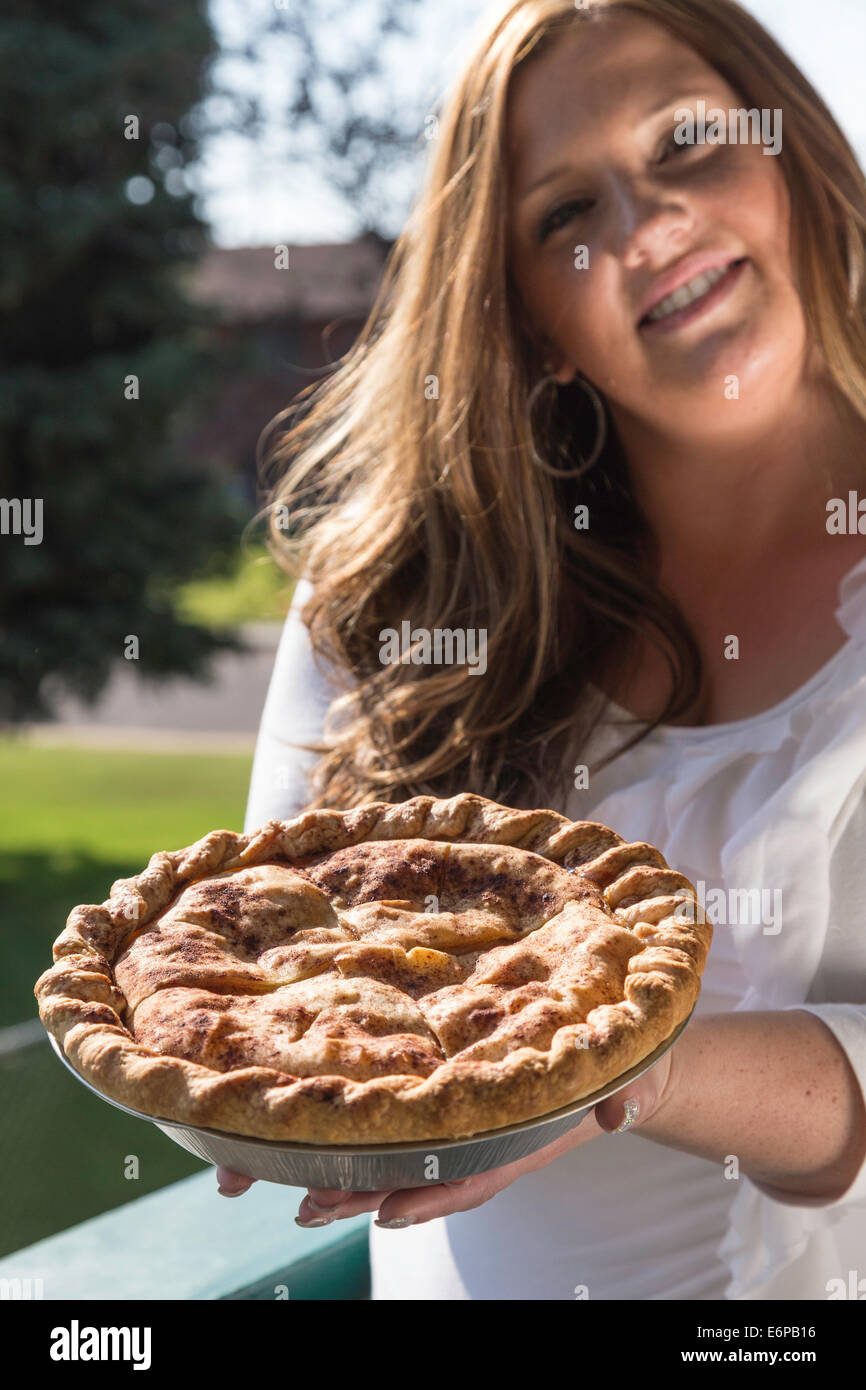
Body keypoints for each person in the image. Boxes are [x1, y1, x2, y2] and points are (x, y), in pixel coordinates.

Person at [217, 0, 866, 1299]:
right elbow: (266, 959)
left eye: (687, 144)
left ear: (789, 148)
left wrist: (623, 1069)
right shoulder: (393, 605)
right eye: (565, 215)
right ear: (526, 323)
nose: (645, 229)